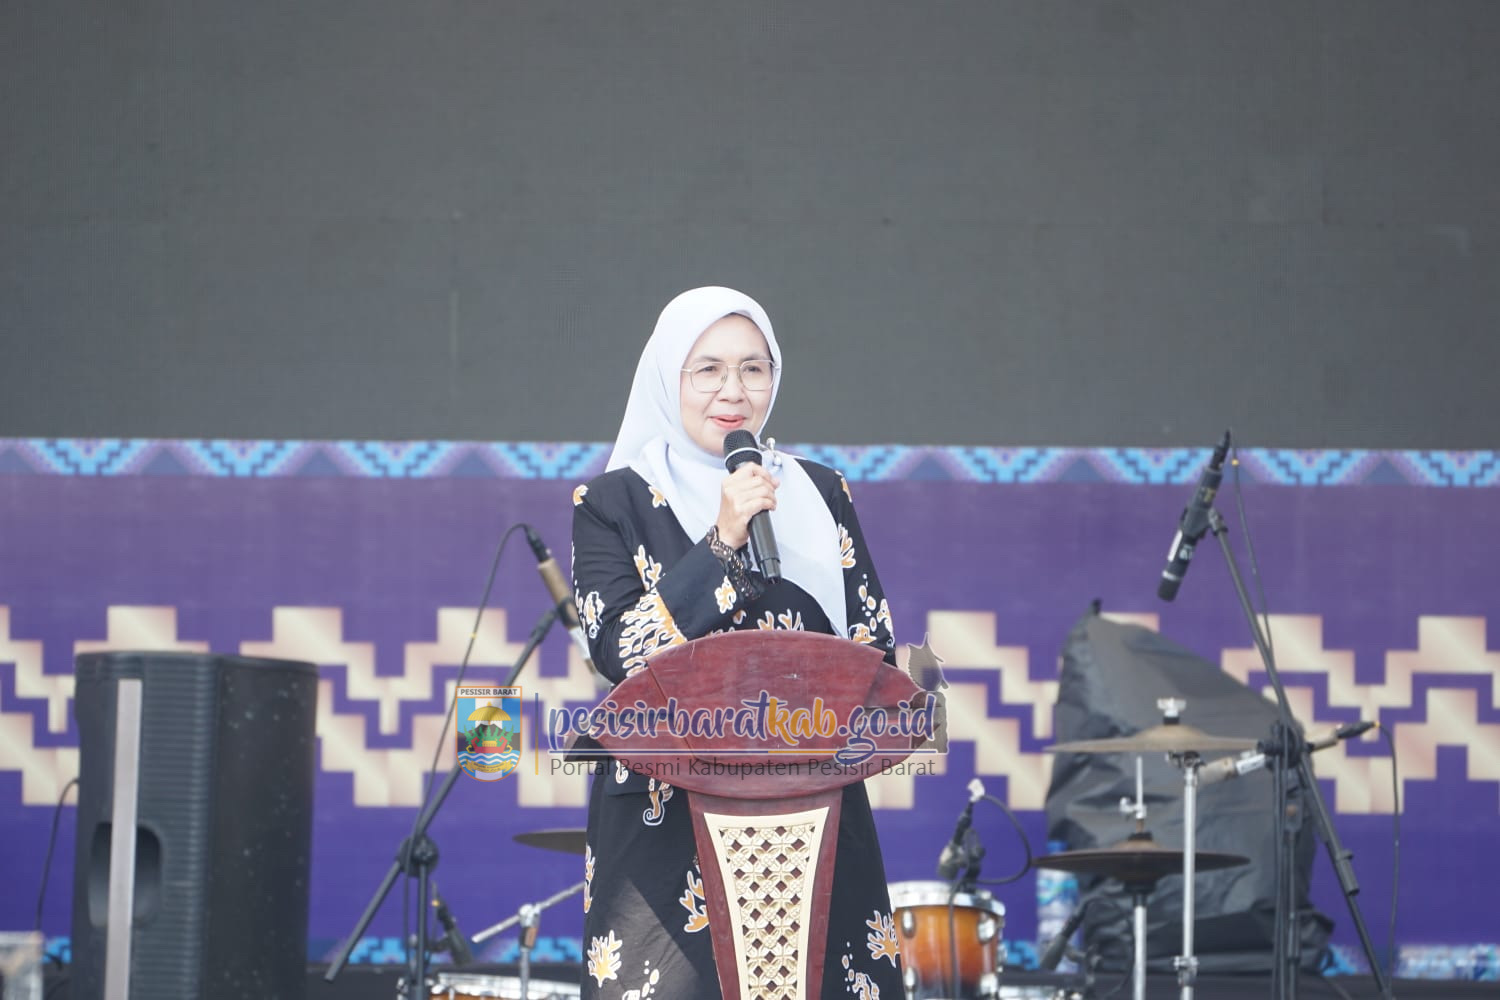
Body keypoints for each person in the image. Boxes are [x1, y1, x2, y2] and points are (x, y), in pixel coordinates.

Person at [569, 286, 905, 999]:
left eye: (754, 368)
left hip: (811, 807)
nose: (734, 391)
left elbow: (873, 644)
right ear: (669, 379)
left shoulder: (820, 491)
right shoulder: (613, 502)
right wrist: (722, 543)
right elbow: (618, 653)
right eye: (708, 370)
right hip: (665, 819)